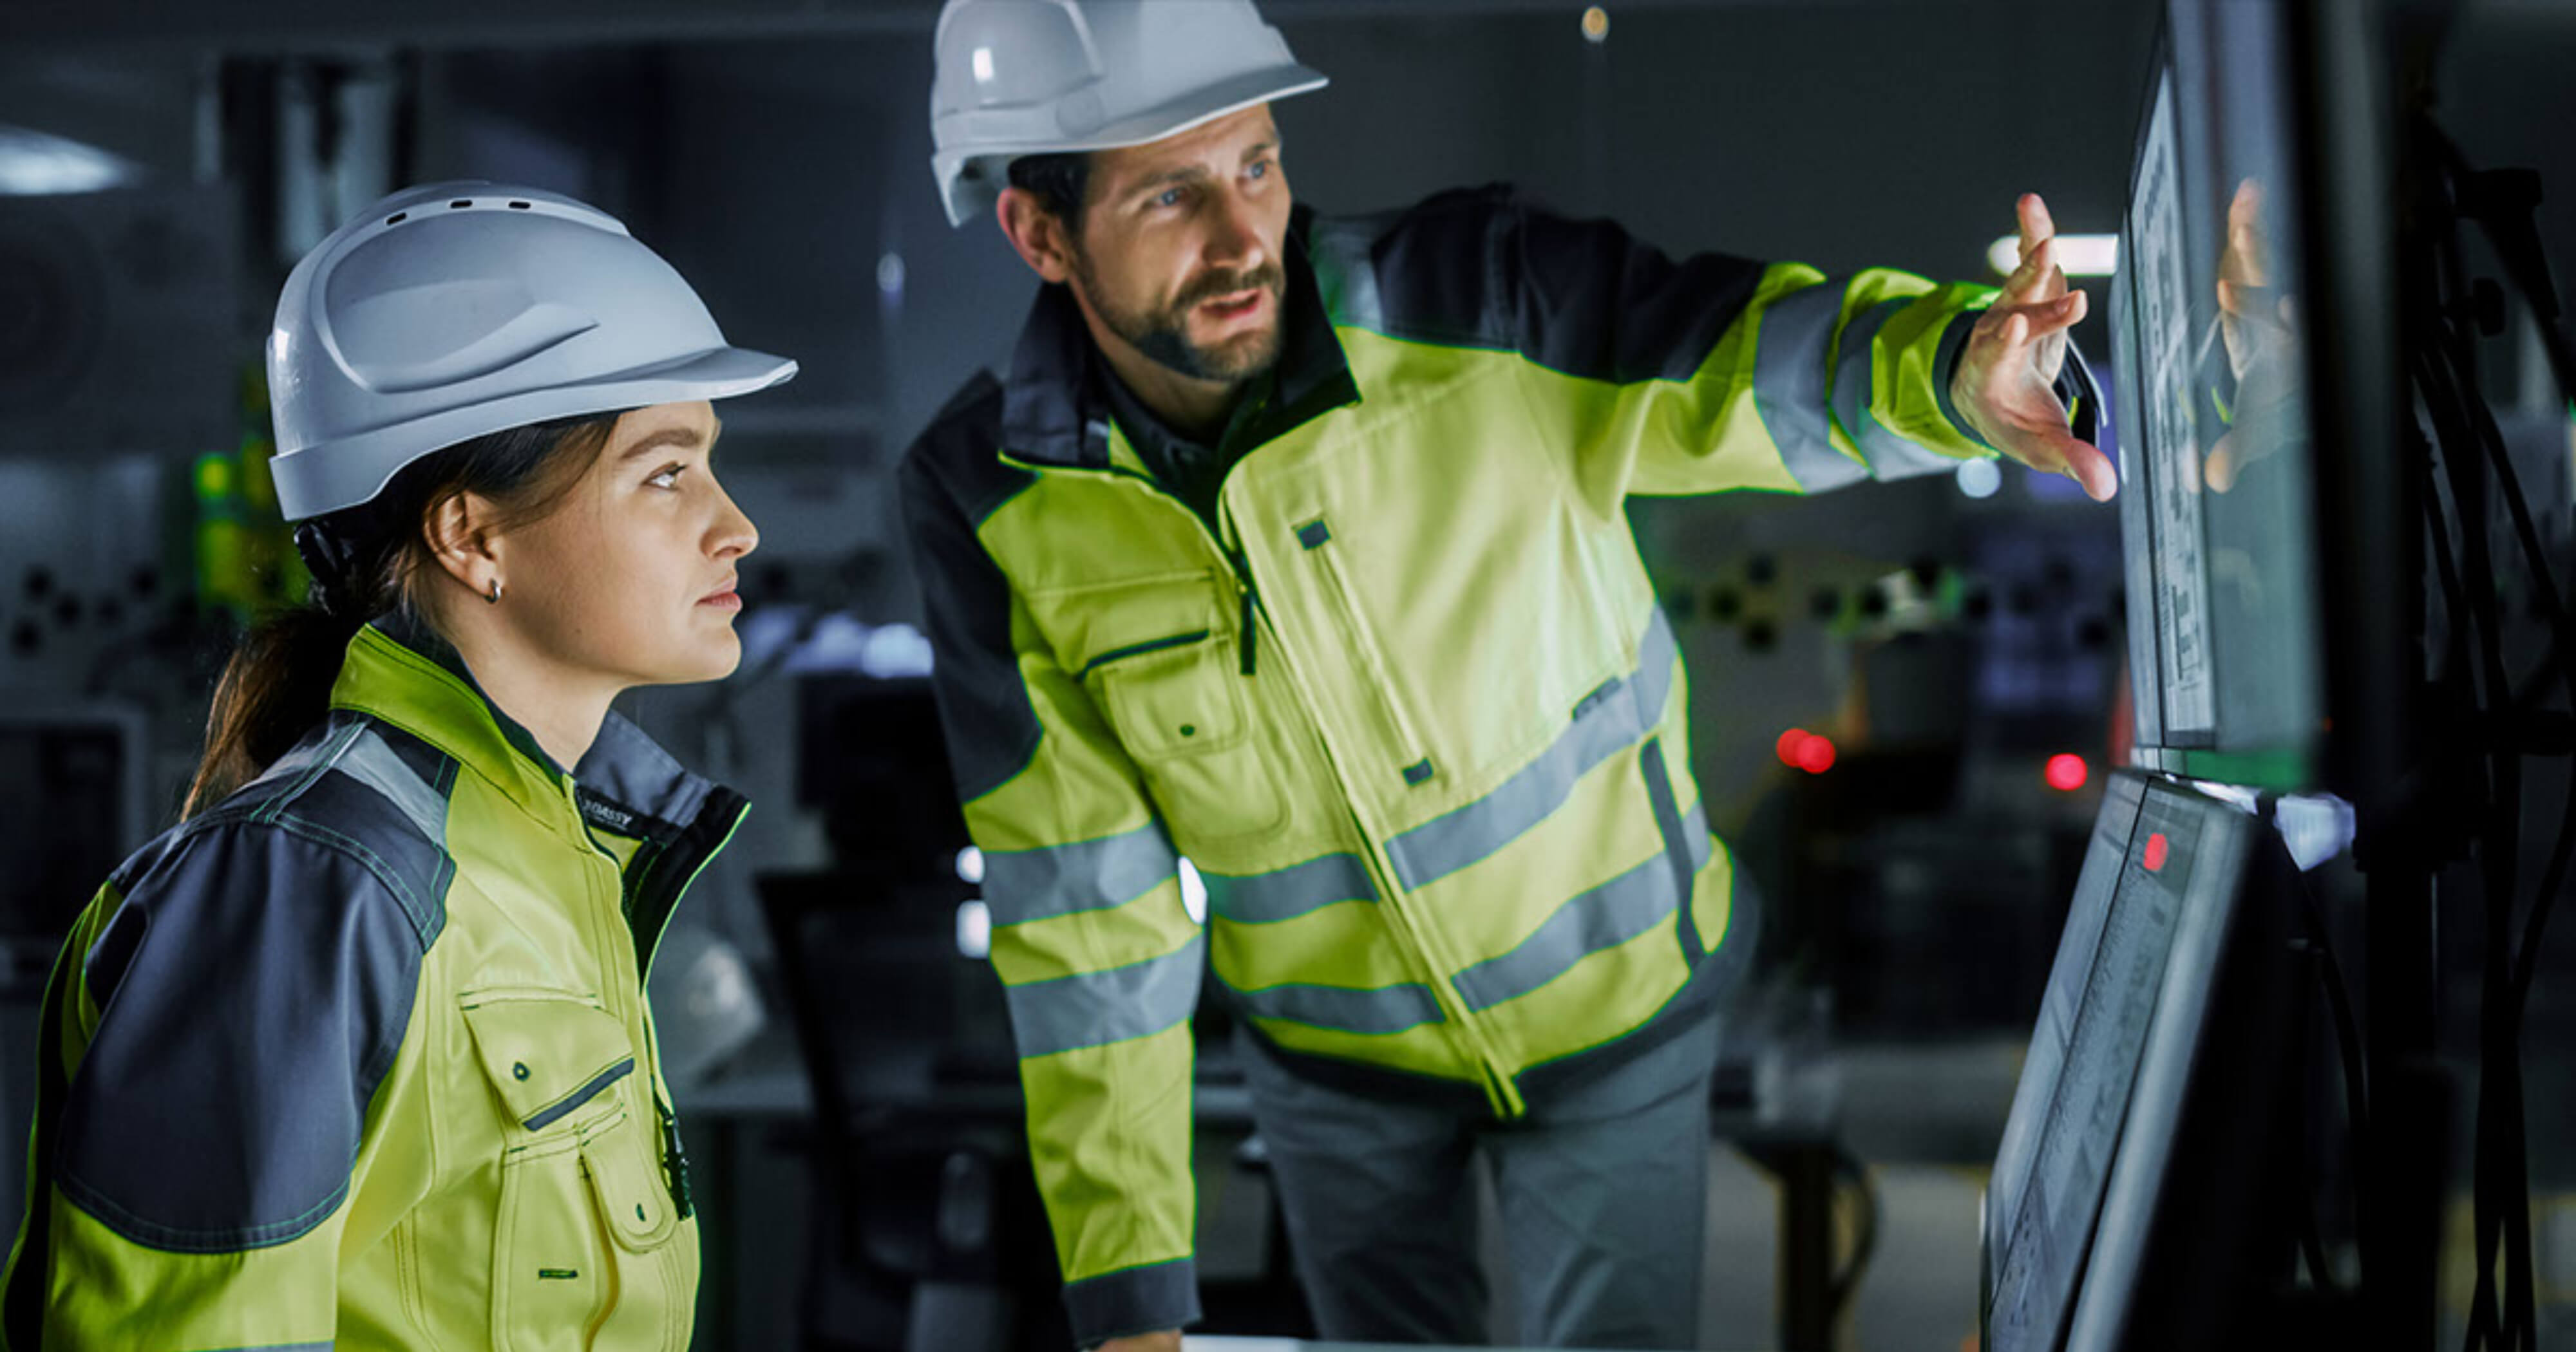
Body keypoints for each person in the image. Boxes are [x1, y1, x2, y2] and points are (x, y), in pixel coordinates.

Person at [899, 3, 2110, 1348]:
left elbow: (1740, 361)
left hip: (1616, 1019)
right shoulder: (989, 504)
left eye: (1255, 163)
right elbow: (1083, 911)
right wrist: (1128, 1292)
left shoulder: (1475, 295)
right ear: (1039, 233)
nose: (1244, 239)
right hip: (1329, 1075)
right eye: (1170, 195)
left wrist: (1944, 368)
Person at [0, 180, 793, 1349]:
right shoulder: (311, 886)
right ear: (472, 536)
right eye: (666, 473)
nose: (738, 527)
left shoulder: (550, 852)